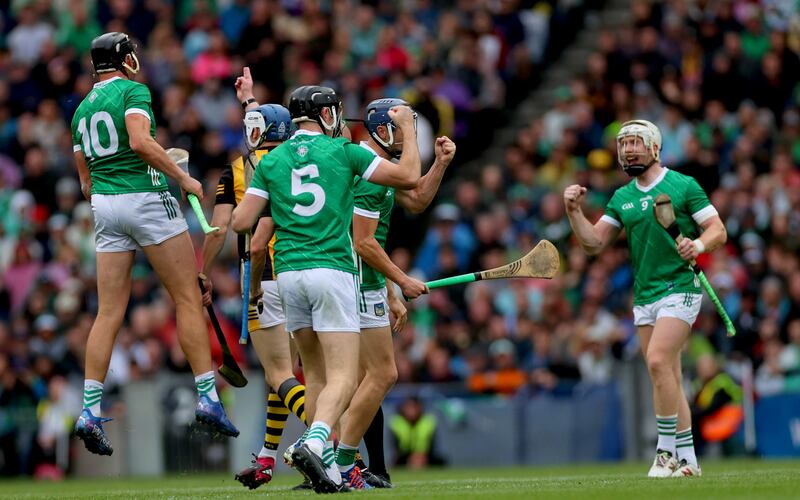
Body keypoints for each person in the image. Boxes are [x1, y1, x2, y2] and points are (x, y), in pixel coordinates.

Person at [231, 85, 426, 493]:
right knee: (344, 376)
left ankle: (332, 471)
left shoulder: (274, 159)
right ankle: (317, 442)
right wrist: (407, 125)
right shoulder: (345, 151)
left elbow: (240, 222)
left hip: (287, 276)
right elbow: (409, 176)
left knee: (315, 373)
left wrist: (263, 179)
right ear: (325, 115)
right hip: (332, 271)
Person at [71, 32, 238, 456]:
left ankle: (89, 410)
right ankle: (207, 397)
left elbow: (85, 183)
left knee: (108, 312)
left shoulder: (80, 111)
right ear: (122, 58)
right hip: (145, 198)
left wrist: (115, 195)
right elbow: (141, 142)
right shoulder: (134, 91)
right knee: (186, 296)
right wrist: (181, 178)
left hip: (105, 205)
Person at [563, 119, 727, 478]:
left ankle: (665, 452)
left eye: (636, 142)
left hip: (680, 289)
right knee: (667, 375)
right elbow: (593, 243)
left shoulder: (683, 185)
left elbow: (718, 230)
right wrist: (574, 212)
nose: (629, 150)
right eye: (624, 145)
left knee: (656, 361)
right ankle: (689, 459)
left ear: (655, 147)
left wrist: (696, 244)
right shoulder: (622, 197)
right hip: (645, 295)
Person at [334, 98, 454, 489]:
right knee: (377, 375)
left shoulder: (373, 165)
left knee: (359, 379)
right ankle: (339, 458)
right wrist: (400, 280)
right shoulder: (368, 170)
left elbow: (416, 198)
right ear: (384, 129)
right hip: (353, 283)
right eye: (403, 128)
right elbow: (364, 242)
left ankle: (341, 460)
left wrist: (440, 164)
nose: (408, 137)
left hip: (359, 281)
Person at [198, 97, 306, 489]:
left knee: (278, 376)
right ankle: (266, 459)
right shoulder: (303, 161)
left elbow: (219, 229)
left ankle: (336, 448)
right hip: (307, 272)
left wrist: (202, 272)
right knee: (287, 377)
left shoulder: (238, 170)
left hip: (263, 280)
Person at [389, 396, 445, 468]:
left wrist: (422, 457)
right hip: (405, 456)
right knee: (396, 463)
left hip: (425, 456)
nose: (412, 411)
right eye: (409, 407)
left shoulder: (428, 421)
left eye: (414, 407)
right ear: (403, 408)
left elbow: (432, 445)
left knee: (441, 461)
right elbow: (395, 448)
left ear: (420, 408)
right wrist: (411, 459)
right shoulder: (396, 423)